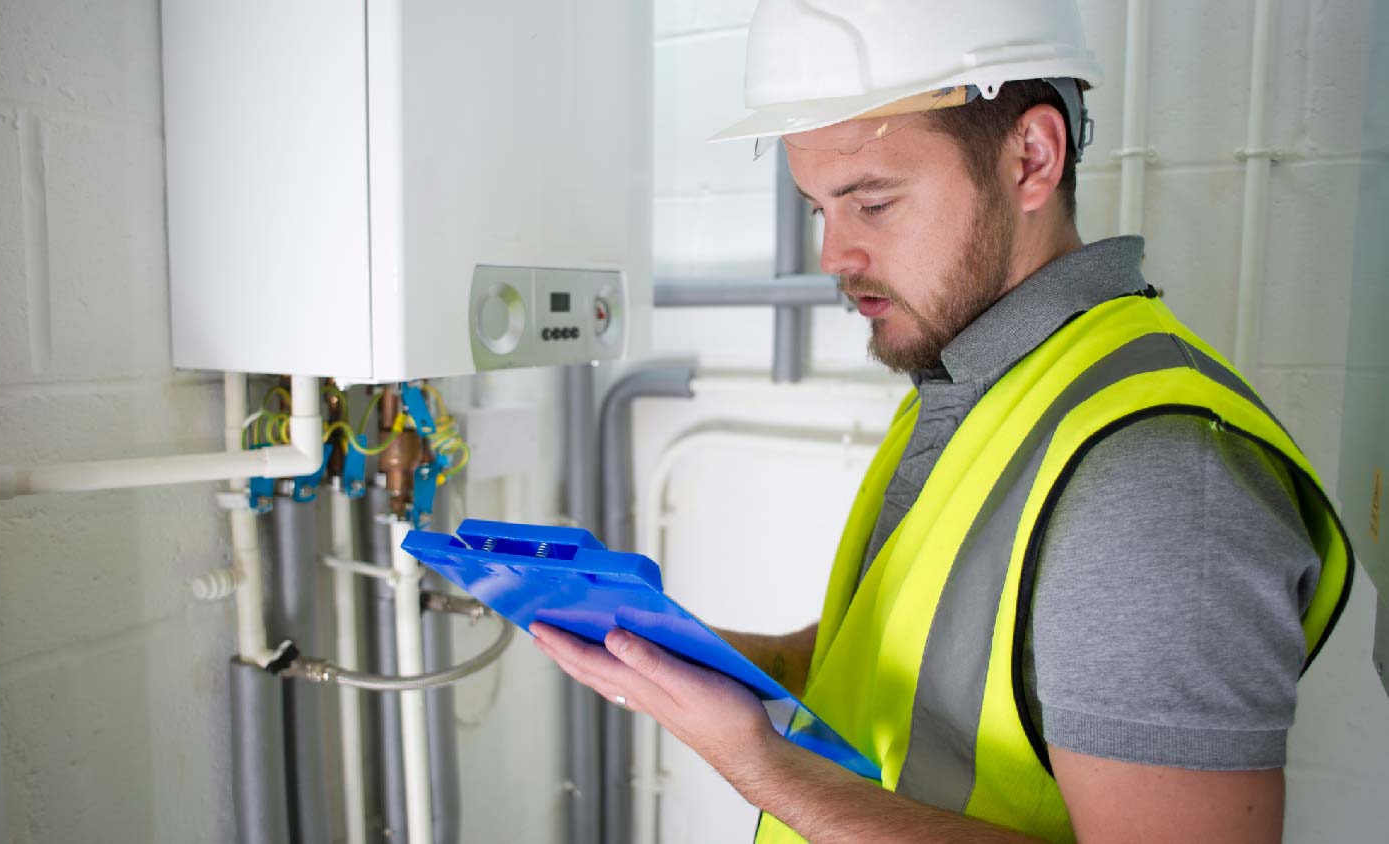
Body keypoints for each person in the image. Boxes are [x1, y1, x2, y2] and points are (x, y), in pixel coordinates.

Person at [533, 2, 1353, 841]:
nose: (833, 258)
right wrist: (684, 652)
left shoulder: (1157, 484)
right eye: (821, 209)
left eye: (874, 204)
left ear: (1031, 158)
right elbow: (914, 670)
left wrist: (759, 764)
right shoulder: (979, 382)